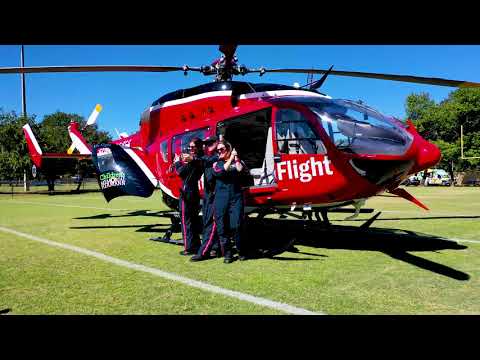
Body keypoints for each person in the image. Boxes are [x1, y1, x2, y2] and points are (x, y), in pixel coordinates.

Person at [211, 141, 249, 263]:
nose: (219, 152)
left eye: (222, 149)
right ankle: (228, 253)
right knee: (222, 228)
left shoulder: (237, 161)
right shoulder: (216, 164)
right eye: (218, 150)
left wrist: (236, 157)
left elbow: (240, 170)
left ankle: (241, 250)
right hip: (220, 199)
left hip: (235, 197)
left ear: (228, 149)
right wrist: (231, 157)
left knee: (236, 225)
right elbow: (222, 171)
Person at [191, 135, 221, 262]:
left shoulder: (218, 156)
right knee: (207, 222)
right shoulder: (208, 157)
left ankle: (204, 251)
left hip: (215, 195)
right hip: (208, 195)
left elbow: (206, 161)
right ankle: (215, 248)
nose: (206, 146)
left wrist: (194, 157)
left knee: (211, 223)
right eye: (205, 144)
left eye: (209, 144)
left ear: (217, 143)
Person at [174, 138, 204, 256]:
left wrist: (177, 162)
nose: (190, 149)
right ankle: (195, 244)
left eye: (192, 147)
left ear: (198, 147)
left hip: (187, 192)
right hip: (193, 192)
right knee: (193, 220)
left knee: (186, 221)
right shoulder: (200, 159)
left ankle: (189, 247)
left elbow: (181, 172)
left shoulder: (194, 160)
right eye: (190, 147)